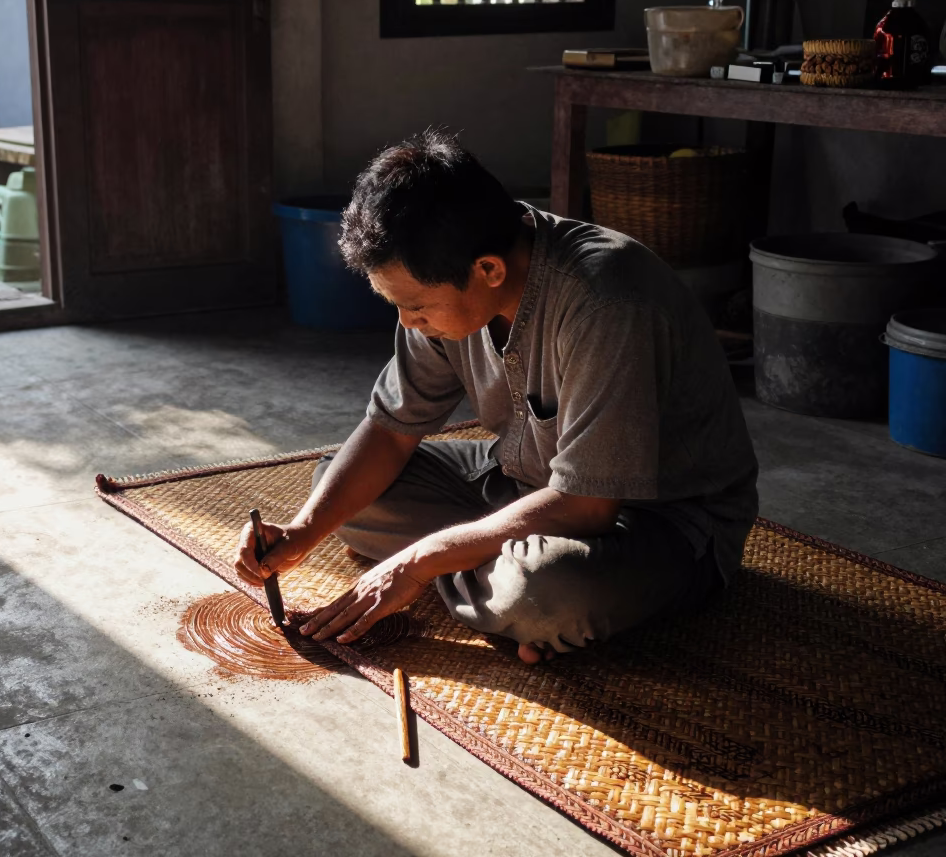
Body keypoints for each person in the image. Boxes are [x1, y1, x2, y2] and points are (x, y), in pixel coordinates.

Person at [233, 129, 758, 664]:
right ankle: (503, 590)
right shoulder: (450, 278)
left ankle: (521, 595)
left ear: (488, 270)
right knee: (336, 488)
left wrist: (417, 561)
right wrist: (301, 532)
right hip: (518, 484)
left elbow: (586, 508)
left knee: (547, 592)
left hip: (654, 521)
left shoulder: (607, 302)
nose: (408, 323)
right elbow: (391, 435)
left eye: (416, 307)